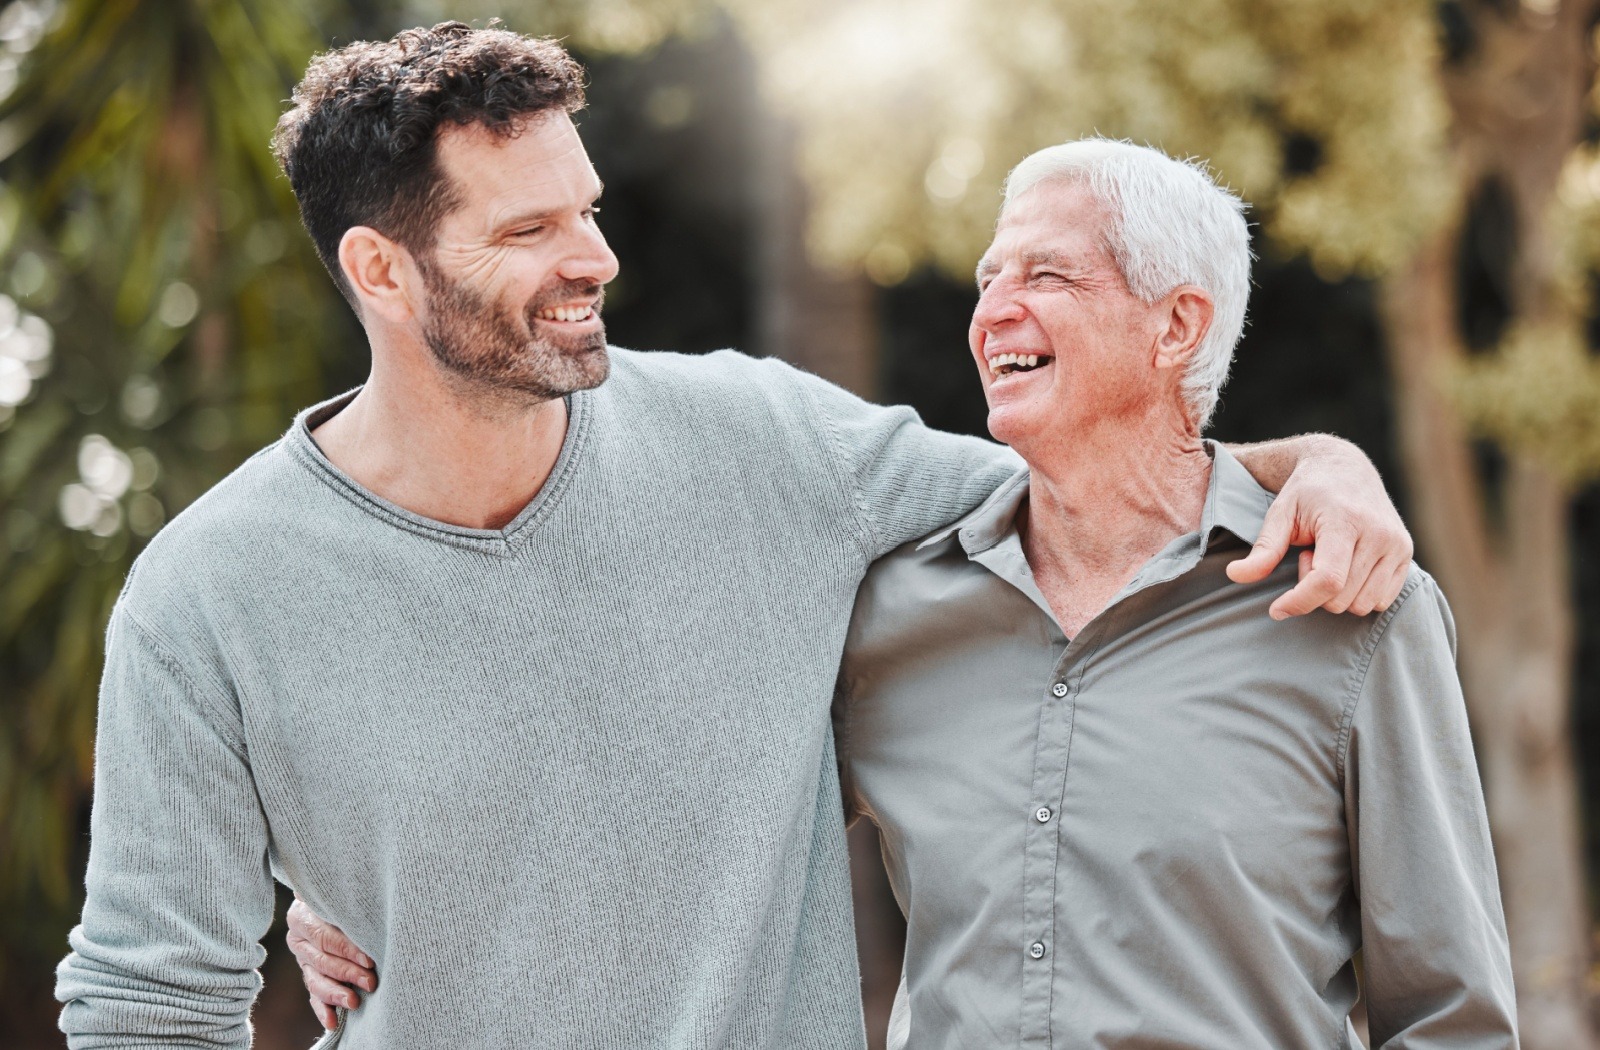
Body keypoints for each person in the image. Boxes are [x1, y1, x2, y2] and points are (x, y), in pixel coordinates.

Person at [58, 25, 1411, 1050]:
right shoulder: (208, 599)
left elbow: (1092, 486)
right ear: (381, 272)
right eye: (530, 229)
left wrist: (1315, 464)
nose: (594, 257)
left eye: (586, 208)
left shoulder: (772, 448)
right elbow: (146, 997)